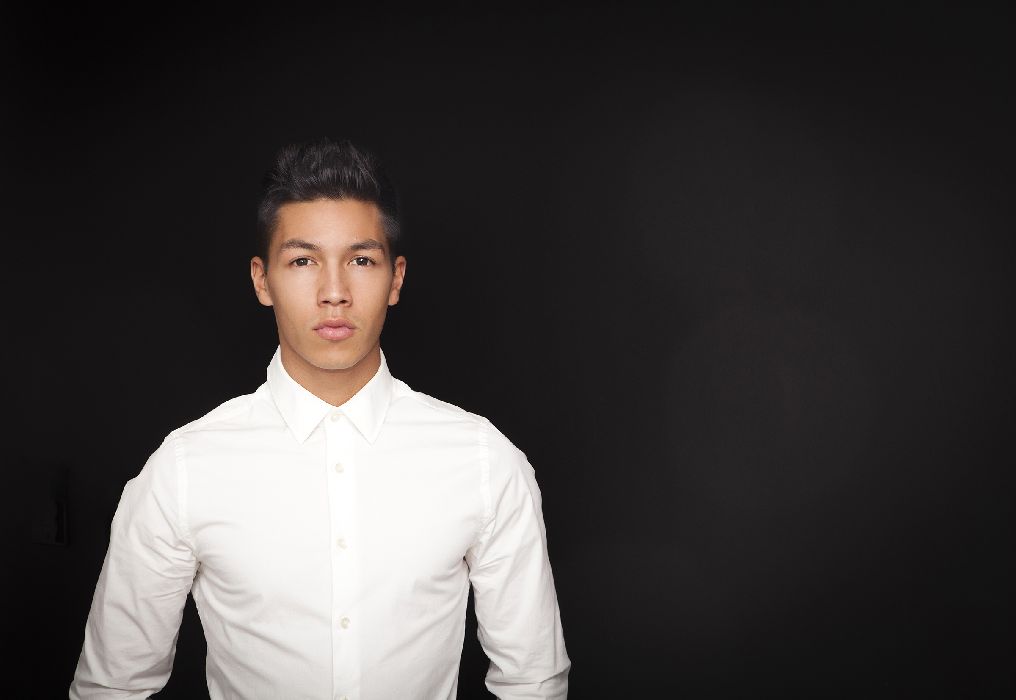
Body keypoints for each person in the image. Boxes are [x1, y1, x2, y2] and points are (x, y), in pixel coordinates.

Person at [70, 138, 570, 699]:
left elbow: (533, 682)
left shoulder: (482, 461)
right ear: (262, 280)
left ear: (396, 278)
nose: (334, 293)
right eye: (303, 261)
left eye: (361, 260)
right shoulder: (184, 470)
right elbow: (112, 687)